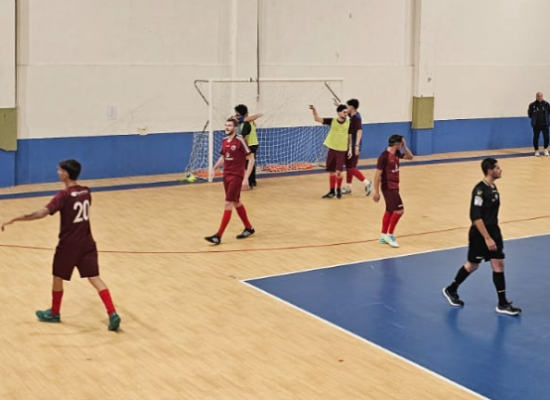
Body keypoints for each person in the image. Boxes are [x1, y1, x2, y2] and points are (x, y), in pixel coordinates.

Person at [1, 159, 121, 330]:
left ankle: (55, 313)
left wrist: (17, 218)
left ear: (65, 174)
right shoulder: (86, 192)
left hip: (68, 245)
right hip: (87, 242)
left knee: (58, 277)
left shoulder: (63, 196)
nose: (57, 172)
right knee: (95, 278)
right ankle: (112, 313)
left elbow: (41, 213)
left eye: (59, 170)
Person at [442, 158, 522, 316]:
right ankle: (451, 289)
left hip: (494, 231)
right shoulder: (479, 190)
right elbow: (475, 217)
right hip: (480, 234)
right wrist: (487, 238)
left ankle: (502, 303)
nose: (500, 170)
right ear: (490, 171)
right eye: (497, 168)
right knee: (472, 265)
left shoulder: (493, 187)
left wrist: (493, 235)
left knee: (498, 264)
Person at [205, 117, 255, 245]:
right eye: (226, 125)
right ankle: (249, 228)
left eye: (229, 125)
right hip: (226, 175)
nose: (227, 127)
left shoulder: (240, 140)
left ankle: (218, 235)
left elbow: (251, 159)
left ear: (235, 128)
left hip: (236, 176)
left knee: (228, 203)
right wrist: (214, 168)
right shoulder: (224, 141)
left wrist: (246, 178)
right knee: (236, 202)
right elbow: (223, 157)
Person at [371, 134, 414, 248]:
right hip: (388, 187)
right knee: (400, 210)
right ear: (397, 144)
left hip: (395, 186)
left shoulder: (397, 153)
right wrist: (376, 192)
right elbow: (377, 175)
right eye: (401, 143)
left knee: (390, 210)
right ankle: (390, 235)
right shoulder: (384, 157)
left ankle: (383, 235)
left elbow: (410, 157)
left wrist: (405, 147)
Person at [310, 104, 350, 199]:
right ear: (339, 113)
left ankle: (338, 190)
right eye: (344, 112)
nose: (346, 114)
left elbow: (350, 136)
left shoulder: (349, 123)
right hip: (332, 149)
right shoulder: (332, 121)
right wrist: (314, 110)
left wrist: (350, 149)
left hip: (342, 150)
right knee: (331, 171)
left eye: (346, 112)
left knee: (339, 172)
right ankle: (332, 191)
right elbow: (317, 119)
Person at [338, 99, 372, 196]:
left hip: (354, 145)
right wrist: (338, 105)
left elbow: (359, 131)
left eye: (347, 106)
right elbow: (346, 113)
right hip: (350, 145)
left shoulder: (356, 118)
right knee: (349, 166)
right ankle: (348, 187)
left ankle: (367, 183)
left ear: (352, 107)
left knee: (351, 168)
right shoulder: (353, 115)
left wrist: (356, 146)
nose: (346, 108)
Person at [234, 104, 263, 188]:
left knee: (248, 163)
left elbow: (243, 137)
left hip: (249, 145)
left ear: (239, 113)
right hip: (254, 143)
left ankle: (248, 182)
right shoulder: (250, 120)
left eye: (237, 112)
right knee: (251, 162)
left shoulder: (246, 123)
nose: (236, 114)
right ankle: (252, 181)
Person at [527, 92, 550, 156]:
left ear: (542, 96)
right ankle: (536, 150)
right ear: (536, 97)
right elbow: (530, 114)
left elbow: (549, 112)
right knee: (536, 137)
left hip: (545, 124)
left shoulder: (546, 104)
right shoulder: (532, 105)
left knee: (546, 137)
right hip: (536, 125)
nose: (540, 97)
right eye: (538, 96)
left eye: (541, 96)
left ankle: (545, 149)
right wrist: (534, 119)